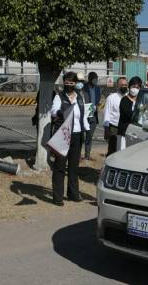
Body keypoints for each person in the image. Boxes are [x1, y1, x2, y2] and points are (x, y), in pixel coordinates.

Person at [51, 71, 89, 206]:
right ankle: (58, 197)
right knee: (60, 166)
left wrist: (86, 130)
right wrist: (61, 112)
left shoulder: (80, 97)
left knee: (73, 167)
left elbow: (83, 115)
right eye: (66, 82)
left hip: (77, 135)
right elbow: (54, 111)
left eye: (71, 82)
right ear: (63, 83)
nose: (69, 85)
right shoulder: (59, 97)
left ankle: (73, 194)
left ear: (76, 83)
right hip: (63, 135)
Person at [104, 77, 128, 156]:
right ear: (117, 86)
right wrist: (106, 130)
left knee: (124, 149)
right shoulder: (111, 98)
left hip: (126, 128)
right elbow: (107, 114)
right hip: (114, 128)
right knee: (112, 150)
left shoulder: (129, 97)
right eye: (122, 85)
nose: (124, 86)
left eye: (125, 85)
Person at [117, 76, 142, 151]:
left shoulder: (140, 100)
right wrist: (140, 111)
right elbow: (129, 115)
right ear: (129, 87)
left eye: (137, 87)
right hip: (124, 133)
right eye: (133, 86)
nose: (135, 89)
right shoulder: (124, 100)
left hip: (136, 133)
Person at [81, 72, 101, 160]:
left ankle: (87, 155)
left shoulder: (97, 88)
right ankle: (77, 154)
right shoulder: (83, 87)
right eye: (93, 78)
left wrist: (96, 106)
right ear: (89, 79)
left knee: (89, 135)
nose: (95, 80)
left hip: (93, 114)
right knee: (81, 135)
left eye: (96, 78)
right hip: (84, 113)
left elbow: (98, 99)